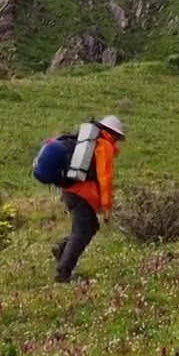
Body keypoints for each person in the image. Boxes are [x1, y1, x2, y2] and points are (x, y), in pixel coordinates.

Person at [51, 115, 124, 283]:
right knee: (82, 232)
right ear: (113, 134)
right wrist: (107, 206)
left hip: (70, 191)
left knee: (90, 227)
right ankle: (63, 272)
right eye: (118, 137)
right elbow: (104, 178)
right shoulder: (104, 146)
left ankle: (62, 248)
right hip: (82, 194)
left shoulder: (91, 142)